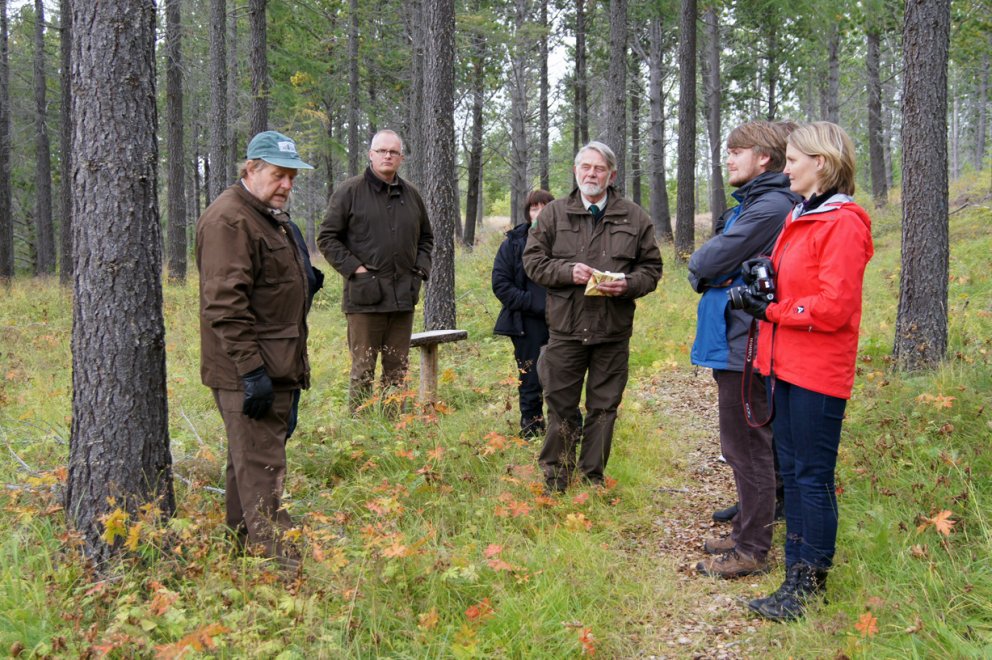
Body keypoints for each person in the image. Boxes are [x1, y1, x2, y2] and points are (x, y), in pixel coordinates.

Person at [738, 122, 873, 621]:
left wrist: (773, 310)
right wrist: (762, 281)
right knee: (793, 475)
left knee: (811, 478)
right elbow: (795, 285)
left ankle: (809, 586)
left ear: (821, 162)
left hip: (817, 371)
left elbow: (835, 307)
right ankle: (795, 577)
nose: (787, 168)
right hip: (786, 364)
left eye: (793, 160)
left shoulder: (843, 222)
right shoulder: (802, 214)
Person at [196, 130, 322, 569]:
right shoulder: (230, 220)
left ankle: (241, 556)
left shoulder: (266, 217)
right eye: (278, 175)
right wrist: (252, 372)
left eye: (292, 177)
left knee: (246, 465)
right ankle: (286, 572)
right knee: (263, 471)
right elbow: (224, 305)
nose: (287, 185)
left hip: (275, 365)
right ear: (251, 169)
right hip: (249, 371)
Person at [688, 121, 801, 579]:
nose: (729, 158)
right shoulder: (755, 202)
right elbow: (717, 261)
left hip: (747, 341)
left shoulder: (770, 205)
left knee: (747, 445)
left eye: (737, 151)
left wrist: (707, 267)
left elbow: (709, 260)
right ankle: (744, 534)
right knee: (742, 444)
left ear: (763, 158)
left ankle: (752, 549)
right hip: (735, 338)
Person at [523, 142, 662, 493]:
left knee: (604, 409)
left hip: (612, 331)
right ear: (575, 171)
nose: (591, 174)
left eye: (599, 169)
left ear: (611, 175)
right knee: (560, 406)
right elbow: (533, 262)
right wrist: (567, 272)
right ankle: (556, 479)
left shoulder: (635, 217)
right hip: (565, 331)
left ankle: (591, 479)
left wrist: (629, 284)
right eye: (585, 167)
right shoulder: (554, 214)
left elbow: (652, 269)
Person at [318, 130, 434, 412]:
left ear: (401, 157)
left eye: (393, 152)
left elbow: (426, 238)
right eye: (382, 151)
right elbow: (327, 238)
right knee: (363, 370)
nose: (387, 156)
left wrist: (420, 270)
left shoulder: (412, 195)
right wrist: (356, 270)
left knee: (398, 371)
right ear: (371, 154)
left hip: (403, 298)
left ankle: (393, 426)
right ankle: (362, 429)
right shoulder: (350, 191)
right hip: (365, 300)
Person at [492, 189, 554, 438]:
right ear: (528, 213)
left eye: (544, 207)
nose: (539, 213)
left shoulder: (565, 242)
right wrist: (533, 303)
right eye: (534, 208)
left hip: (562, 320)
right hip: (526, 323)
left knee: (563, 378)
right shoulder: (514, 243)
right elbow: (501, 284)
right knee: (530, 379)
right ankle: (532, 430)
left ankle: (565, 431)